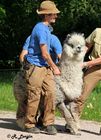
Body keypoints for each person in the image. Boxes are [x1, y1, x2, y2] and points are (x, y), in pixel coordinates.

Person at [23, 0, 61, 134]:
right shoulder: (40, 28)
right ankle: (29, 124)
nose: (56, 16)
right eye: (53, 14)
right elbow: (45, 53)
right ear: (46, 15)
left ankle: (48, 123)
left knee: (51, 93)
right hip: (35, 67)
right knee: (35, 95)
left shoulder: (47, 30)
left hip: (45, 67)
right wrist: (55, 67)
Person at [13, 34, 62, 130]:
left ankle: (46, 121)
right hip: (33, 68)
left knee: (50, 94)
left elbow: (61, 56)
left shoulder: (53, 39)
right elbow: (23, 55)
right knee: (29, 93)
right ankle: (24, 119)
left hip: (49, 69)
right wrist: (26, 67)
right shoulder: (31, 38)